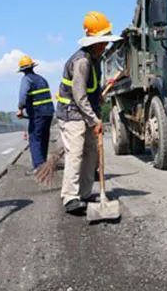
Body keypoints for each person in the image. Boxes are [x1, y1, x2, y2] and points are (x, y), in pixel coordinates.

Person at [56, 11, 122, 214]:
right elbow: (79, 95)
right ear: (92, 41)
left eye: (106, 42)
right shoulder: (82, 61)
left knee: (91, 153)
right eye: (101, 42)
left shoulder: (96, 58)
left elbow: (89, 89)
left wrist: (98, 97)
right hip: (71, 113)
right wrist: (94, 120)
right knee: (75, 154)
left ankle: (85, 193)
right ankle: (70, 197)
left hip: (85, 110)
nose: (105, 46)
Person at [16, 55, 55, 173]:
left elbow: (23, 96)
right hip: (48, 113)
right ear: (32, 66)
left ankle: (38, 167)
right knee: (44, 138)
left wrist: (20, 109)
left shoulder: (26, 79)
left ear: (22, 70)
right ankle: (43, 164)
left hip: (37, 113)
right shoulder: (42, 79)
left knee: (34, 138)